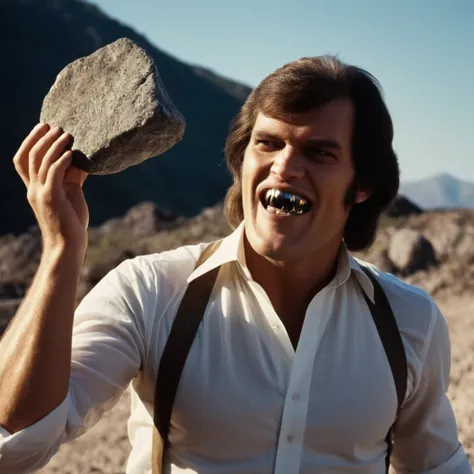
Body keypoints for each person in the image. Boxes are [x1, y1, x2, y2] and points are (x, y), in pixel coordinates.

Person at [0, 56, 471, 474]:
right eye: (268, 144)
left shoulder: (409, 322)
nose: (285, 167)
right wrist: (61, 251)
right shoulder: (150, 291)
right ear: (241, 161)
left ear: (362, 184)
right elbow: (14, 446)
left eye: (319, 152)